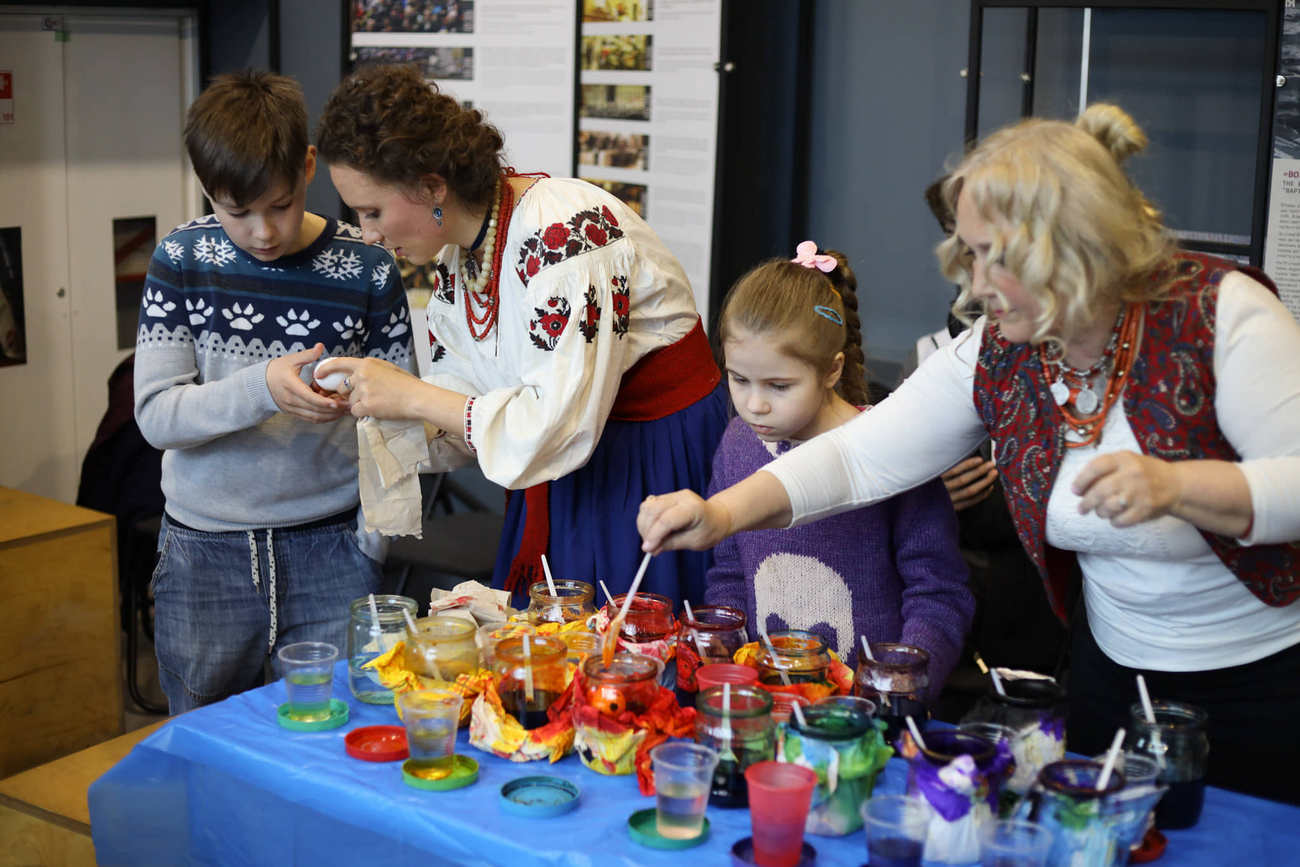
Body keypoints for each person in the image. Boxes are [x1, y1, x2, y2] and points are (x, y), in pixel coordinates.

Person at [638, 104, 1300, 803]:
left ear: (1066, 244)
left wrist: (1176, 485)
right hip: (1112, 674)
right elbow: (859, 455)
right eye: (968, 255)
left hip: (1260, 682)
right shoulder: (999, 347)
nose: (973, 284)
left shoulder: (1220, 313)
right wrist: (719, 513)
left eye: (990, 257)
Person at [313, 64, 727, 607]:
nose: (367, 232)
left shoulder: (566, 235)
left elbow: (552, 425)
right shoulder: (461, 266)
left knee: (628, 658)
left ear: (432, 186)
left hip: (648, 463)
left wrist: (411, 394)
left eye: (372, 211)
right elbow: (469, 405)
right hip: (570, 466)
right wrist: (380, 403)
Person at [134, 70, 414, 713]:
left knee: (337, 737)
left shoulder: (367, 268)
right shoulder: (182, 260)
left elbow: (402, 420)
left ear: (309, 166)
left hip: (333, 548)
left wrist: (373, 538)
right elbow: (156, 415)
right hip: (204, 554)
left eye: (280, 205)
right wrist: (261, 388)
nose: (262, 232)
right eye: (237, 212)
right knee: (205, 743)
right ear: (208, 191)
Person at [704, 242, 973, 696]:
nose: (754, 404)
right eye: (739, 379)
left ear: (831, 370)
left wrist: (901, 683)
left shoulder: (893, 447)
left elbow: (938, 592)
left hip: (869, 713)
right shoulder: (736, 445)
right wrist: (725, 655)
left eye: (779, 385)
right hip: (767, 702)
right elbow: (728, 574)